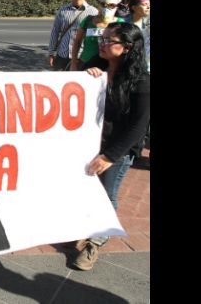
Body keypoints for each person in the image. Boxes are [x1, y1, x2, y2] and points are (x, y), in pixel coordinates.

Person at [73, 23, 150, 271]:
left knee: (107, 193)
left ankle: (96, 241)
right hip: (92, 141)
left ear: (127, 48)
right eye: (103, 39)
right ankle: (85, 226)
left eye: (110, 41)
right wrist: (88, 75)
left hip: (119, 148)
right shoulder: (96, 65)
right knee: (86, 188)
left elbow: (138, 127)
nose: (103, 44)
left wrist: (110, 155)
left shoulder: (141, 81)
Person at [47, 0, 99, 71]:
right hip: (62, 55)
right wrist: (51, 53)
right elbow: (55, 32)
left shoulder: (93, 12)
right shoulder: (63, 10)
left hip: (81, 57)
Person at [69, 0, 124, 71]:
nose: (106, 8)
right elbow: (77, 41)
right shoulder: (88, 20)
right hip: (86, 64)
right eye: (103, 4)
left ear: (116, 7)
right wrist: (73, 63)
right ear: (99, 5)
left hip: (109, 67)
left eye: (111, 5)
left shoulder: (121, 23)